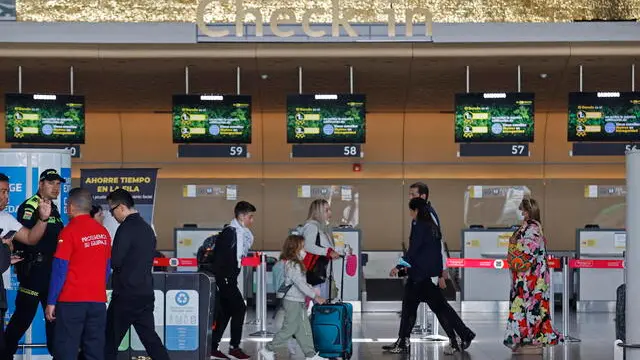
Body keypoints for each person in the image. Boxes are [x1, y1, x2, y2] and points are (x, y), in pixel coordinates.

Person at [383, 198, 475, 355]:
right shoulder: (433, 226)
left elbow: (412, 251)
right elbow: (437, 253)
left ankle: (460, 337)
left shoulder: (419, 225)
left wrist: (399, 266)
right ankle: (403, 340)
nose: (410, 214)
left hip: (420, 275)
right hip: (426, 274)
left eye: (411, 211)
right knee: (419, 307)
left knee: (435, 308)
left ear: (416, 210)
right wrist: (439, 272)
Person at [3, 169, 64, 360]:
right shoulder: (30, 206)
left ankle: (59, 356)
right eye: (51, 183)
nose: (56, 187)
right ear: (41, 184)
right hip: (34, 271)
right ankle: (4, 354)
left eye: (58, 184)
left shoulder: (53, 208)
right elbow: (26, 238)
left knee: (54, 318)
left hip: (51, 272)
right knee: (23, 318)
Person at [45, 188, 111, 360]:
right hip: (97, 301)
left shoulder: (68, 232)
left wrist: (51, 301)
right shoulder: (103, 233)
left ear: (71, 207)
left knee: (66, 350)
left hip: (71, 301)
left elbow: (60, 269)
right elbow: (106, 268)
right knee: (94, 351)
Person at [104, 189, 169, 360]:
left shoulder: (125, 229)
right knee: (151, 339)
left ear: (122, 207)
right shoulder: (147, 229)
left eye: (112, 210)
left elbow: (115, 261)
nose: (111, 215)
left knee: (109, 341)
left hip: (125, 294)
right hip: (145, 293)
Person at [504, 197, 563, 355]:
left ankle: (530, 340)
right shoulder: (531, 228)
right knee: (528, 309)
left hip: (531, 281)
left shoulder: (532, 229)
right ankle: (524, 339)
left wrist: (514, 246)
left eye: (523, 210)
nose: (521, 213)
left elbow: (527, 253)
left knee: (530, 310)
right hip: (531, 279)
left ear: (528, 211)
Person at [259, 235, 327, 360]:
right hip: (292, 301)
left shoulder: (298, 264)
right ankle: (268, 348)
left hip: (298, 301)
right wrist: (315, 296)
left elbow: (303, 283)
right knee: (289, 329)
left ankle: (310, 355)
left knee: (304, 329)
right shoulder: (293, 265)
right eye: (302, 247)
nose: (304, 251)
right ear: (294, 248)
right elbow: (300, 284)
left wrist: (312, 291)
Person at [210, 201, 256, 360]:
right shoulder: (230, 233)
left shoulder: (241, 233)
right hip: (225, 279)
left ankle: (212, 346)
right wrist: (223, 280)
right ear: (242, 216)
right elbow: (222, 259)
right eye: (250, 217)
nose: (252, 220)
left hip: (229, 278)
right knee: (240, 308)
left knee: (226, 312)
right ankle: (234, 347)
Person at [301, 199, 341, 301]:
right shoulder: (311, 227)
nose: (330, 213)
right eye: (326, 210)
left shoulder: (321, 228)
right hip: (315, 273)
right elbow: (308, 246)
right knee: (320, 304)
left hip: (320, 272)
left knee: (322, 303)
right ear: (318, 212)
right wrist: (327, 252)